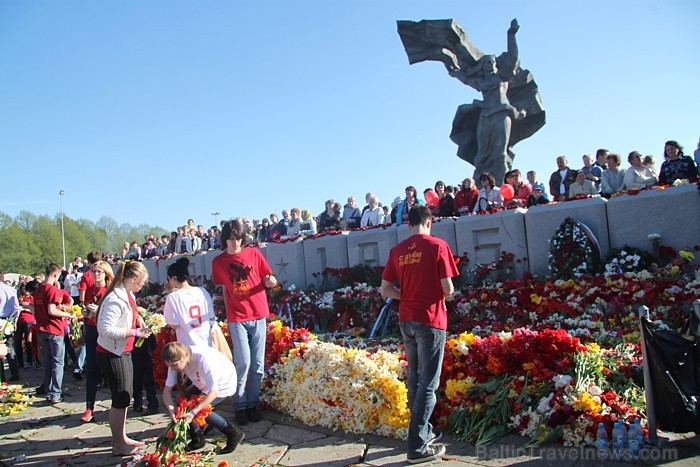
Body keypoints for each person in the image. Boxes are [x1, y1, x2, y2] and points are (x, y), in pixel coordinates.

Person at [380, 205, 458, 464]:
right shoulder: (438, 246)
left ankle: (422, 432)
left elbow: (386, 290)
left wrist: (409, 294)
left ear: (409, 224)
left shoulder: (397, 251)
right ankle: (417, 446)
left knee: (415, 377)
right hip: (430, 318)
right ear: (429, 221)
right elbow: (448, 289)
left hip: (407, 319)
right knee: (428, 382)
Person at [212, 219, 277, 426]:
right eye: (231, 239)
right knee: (243, 362)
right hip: (237, 317)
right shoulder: (219, 262)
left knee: (257, 364)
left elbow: (268, 277)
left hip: (258, 313)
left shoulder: (254, 254)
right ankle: (239, 405)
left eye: (238, 238)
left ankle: (252, 404)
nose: (235, 243)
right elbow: (223, 287)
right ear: (225, 240)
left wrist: (271, 282)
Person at [96, 261, 152, 456]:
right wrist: (134, 332)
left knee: (125, 396)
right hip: (112, 352)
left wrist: (138, 319)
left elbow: (131, 313)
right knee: (121, 397)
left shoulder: (128, 294)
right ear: (133, 279)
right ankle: (118, 444)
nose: (143, 285)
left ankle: (121, 436)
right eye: (142, 281)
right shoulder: (115, 298)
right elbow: (105, 329)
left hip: (123, 350)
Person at [161, 342, 245, 453]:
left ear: (184, 357)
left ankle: (233, 432)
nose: (172, 368)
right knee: (182, 404)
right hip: (203, 383)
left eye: (175, 365)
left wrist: (193, 413)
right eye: (169, 365)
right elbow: (167, 391)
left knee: (198, 409)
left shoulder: (202, 359)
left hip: (223, 384)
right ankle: (198, 438)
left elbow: (214, 391)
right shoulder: (175, 362)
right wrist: (172, 412)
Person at [34, 263, 73, 403]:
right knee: (58, 362)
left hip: (41, 329)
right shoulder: (52, 290)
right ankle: (55, 393)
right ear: (56, 275)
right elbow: (52, 310)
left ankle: (48, 389)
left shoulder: (38, 290)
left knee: (48, 362)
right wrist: (68, 315)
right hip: (54, 329)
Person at [81, 260, 114, 423]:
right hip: (92, 330)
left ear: (106, 273)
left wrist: (99, 311)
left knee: (111, 369)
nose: (95, 274)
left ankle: (118, 406)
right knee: (92, 369)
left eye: (99, 272)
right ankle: (89, 407)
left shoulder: (110, 290)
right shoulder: (90, 289)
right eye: (93, 271)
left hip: (106, 332)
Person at [163, 257, 215, 347]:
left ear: (173, 279)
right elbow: (211, 316)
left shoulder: (173, 297)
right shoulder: (202, 291)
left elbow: (173, 324)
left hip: (187, 344)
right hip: (206, 341)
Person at [0, 273, 21, 382]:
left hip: (1, 318)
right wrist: (15, 320)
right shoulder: (11, 290)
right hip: (9, 319)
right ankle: (14, 372)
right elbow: (17, 308)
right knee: (9, 346)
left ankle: (1, 375)